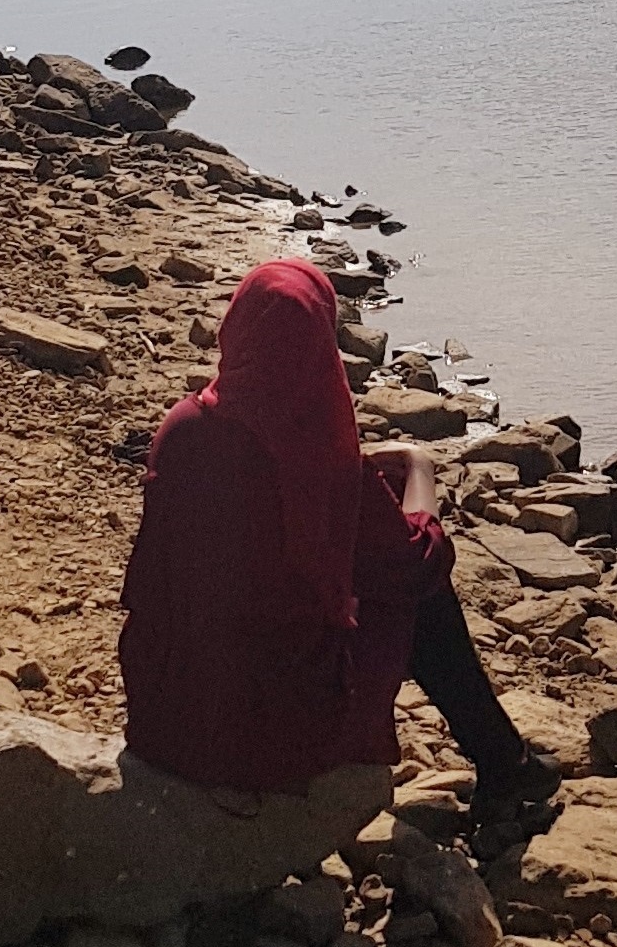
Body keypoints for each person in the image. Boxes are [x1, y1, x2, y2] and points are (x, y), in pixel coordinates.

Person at [118, 257, 558, 818]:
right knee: (424, 598)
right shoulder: (318, 466)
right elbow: (418, 561)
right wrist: (418, 467)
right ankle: (506, 765)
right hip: (255, 733)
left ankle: (506, 762)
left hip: (169, 708)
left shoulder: (184, 427)